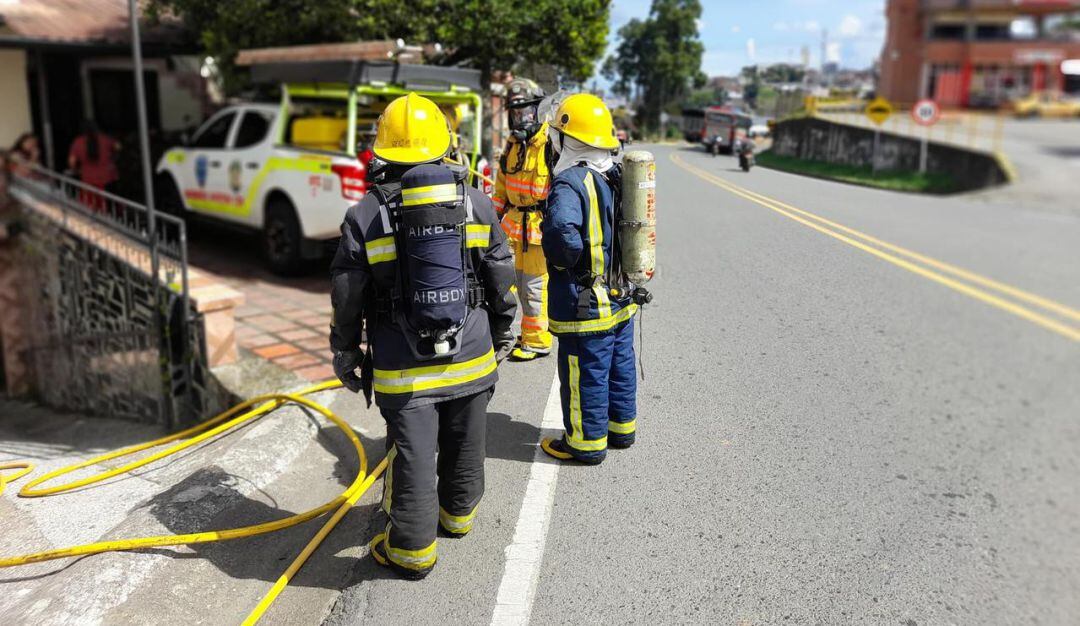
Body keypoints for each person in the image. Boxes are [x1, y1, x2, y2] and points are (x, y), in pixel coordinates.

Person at [329, 93, 517, 579]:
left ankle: (411, 551)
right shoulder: (475, 201)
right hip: (472, 355)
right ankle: (458, 516)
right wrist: (500, 332)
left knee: (410, 454)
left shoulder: (364, 215)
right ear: (444, 147)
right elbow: (499, 272)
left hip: (402, 366)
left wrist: (345, 351)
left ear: (383, 150)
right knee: (466, 439)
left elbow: (347, 294)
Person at [539, 93, 640, 465]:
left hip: (586, 301)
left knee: (585, 372)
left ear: (567, 139)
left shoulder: (570, 182)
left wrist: (563, 257)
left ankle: (585, 443)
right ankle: (621, 429)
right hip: (620, 296)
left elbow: (564, 234)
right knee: (619, 364)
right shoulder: (616, 175)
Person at [492, 78, 554, 362]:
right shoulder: (513, 144)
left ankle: (537, 341)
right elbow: (502, 183)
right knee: (505, 283)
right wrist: (493, 217)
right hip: (513, 225)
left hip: (538, 228)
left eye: (525, 111)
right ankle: (515, 334)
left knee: (533, 287)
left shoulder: (551, 143)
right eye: (515, 112)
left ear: (538, 110)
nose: (520, 117)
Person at [68, 120, 119, 210]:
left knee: (89, 209)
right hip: (107, 180)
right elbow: (118, 147)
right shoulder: (105, 139)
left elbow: (72, 162)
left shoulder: (78, 142)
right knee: (108, 209)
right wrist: (113, 159)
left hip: (88, 182)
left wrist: (77, 171)